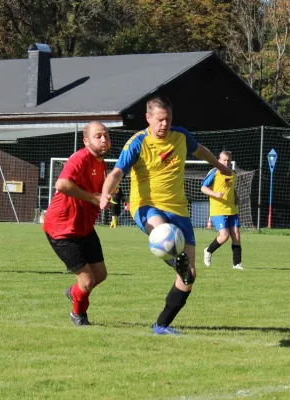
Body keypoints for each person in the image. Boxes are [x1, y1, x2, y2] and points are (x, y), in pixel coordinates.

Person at [100, 95, 231, 335]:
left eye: (168, 119)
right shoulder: (137, 142)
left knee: (189, 276)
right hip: (146, 207)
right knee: (162, 232)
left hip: (179, 209)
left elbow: (200, 150)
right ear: (148, 118)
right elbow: (118, 171)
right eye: (160, 120)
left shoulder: (180, 136)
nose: (164, 124)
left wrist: (219, 165)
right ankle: (174, 259)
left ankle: (161, 325)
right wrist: (105, 193)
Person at [43, 121, 111, 326]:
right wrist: (92, 198)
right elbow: (62, 184)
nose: (104, 139)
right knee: (87, 281)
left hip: (84, 228)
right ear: (86, 140)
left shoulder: (101, 163)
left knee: (100, 275)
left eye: (106, 135)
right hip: (62, 229)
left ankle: (74, 292)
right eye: (98, 136)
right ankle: (78, 316)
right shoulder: (80, 158)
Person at [201, 151, 243, 270]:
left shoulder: (232, 173)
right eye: (224, 160)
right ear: (218, 160)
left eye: (228, 160)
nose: (226, 162)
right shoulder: (214, 173)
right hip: (218, 210)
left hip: (232, 209)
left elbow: (231, 188)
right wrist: (215, 194)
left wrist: (236, 197)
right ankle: (208, 251)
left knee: (236, 236)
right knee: (224, 236)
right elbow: (203, 188)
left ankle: (237, 264)